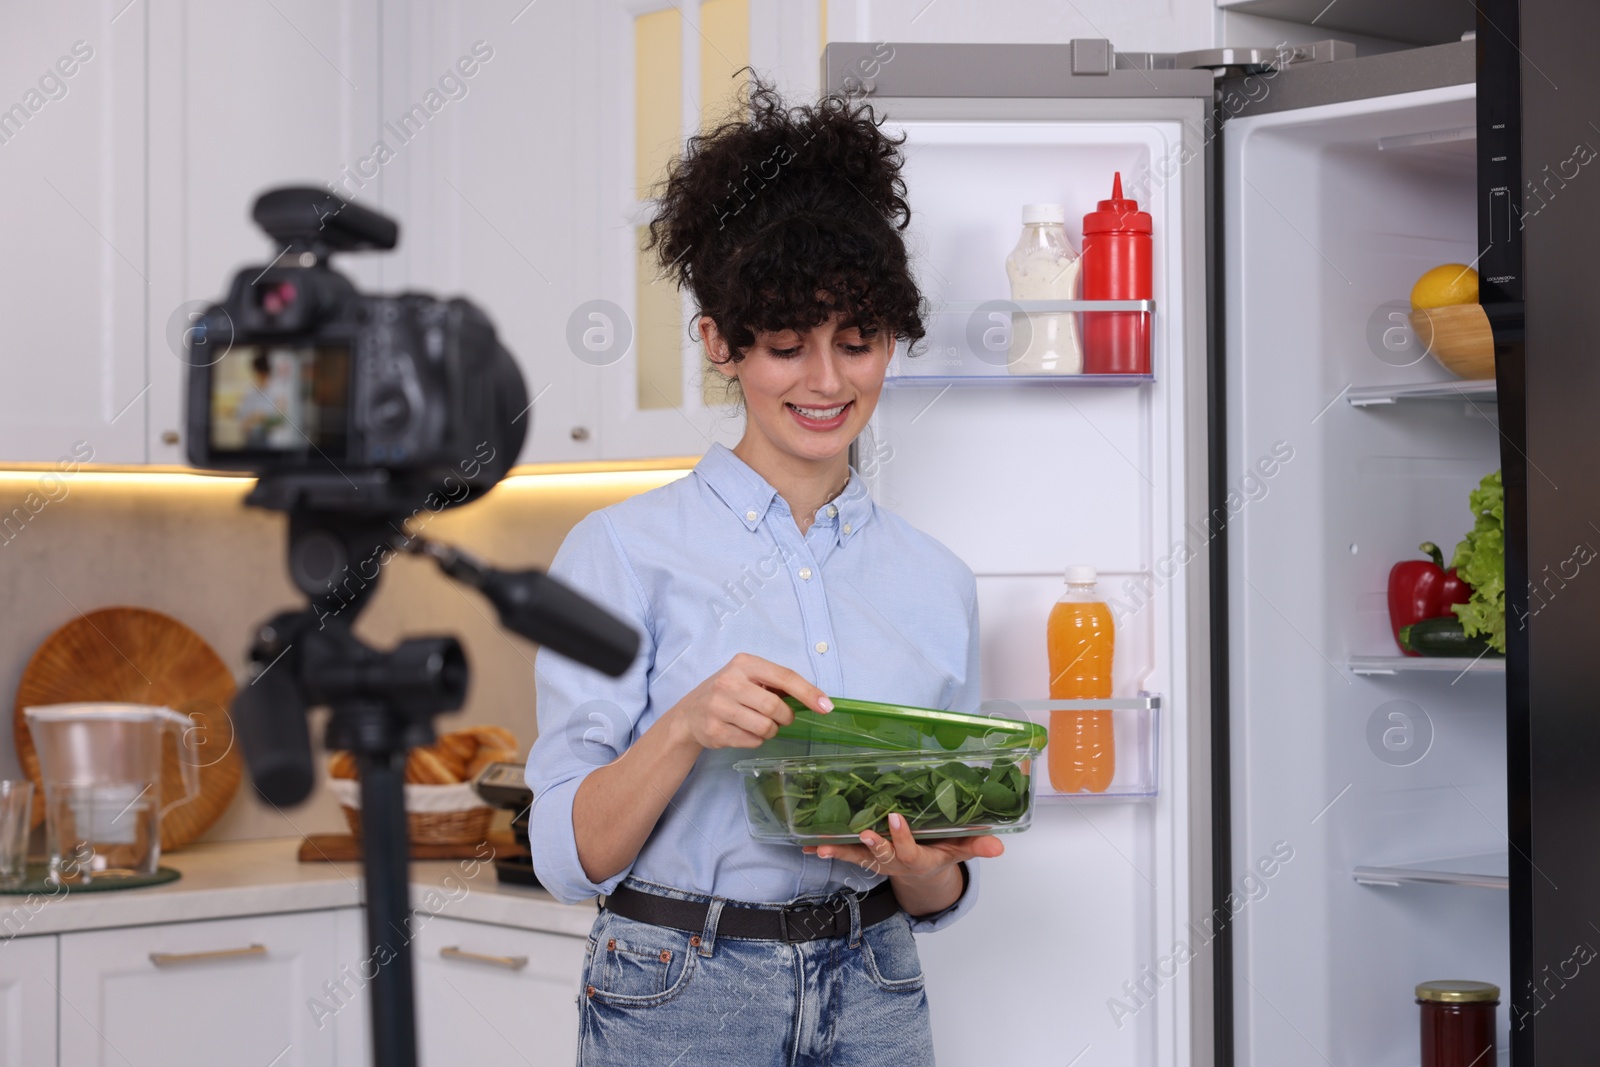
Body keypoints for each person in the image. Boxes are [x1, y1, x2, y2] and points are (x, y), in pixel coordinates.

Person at [525, 76, 1002, 1066]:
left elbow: (943, 890)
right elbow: (569, 858)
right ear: (720, 344)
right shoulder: (616, 553)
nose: (826, 381)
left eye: (856, 342)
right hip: (679, 989)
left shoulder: (938, 579)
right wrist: (687, 723)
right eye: (786, 346)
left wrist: (922, 866)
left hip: (878, 979)